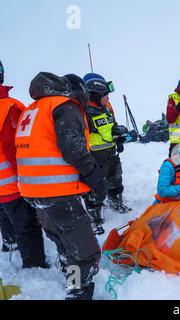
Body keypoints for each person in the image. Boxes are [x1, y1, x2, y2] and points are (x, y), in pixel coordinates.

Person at [16, 72, 106, 300]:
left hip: (35, 192)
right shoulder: (65, 106)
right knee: (85, 254)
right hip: (58, 193)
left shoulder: (34, 109)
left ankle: (69, 271)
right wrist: (95, 177)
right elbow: (73, 148)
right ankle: (77, 288)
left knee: (63, 240)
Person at [0, 61, 47, 268]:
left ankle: (10, 245)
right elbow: (15, 148)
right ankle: (34, 265)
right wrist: (28, 180)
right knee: (27, 225)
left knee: (6, 219)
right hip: (12, 183)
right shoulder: (10, 107)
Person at [82, 73, 130, 232]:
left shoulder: (107, 107)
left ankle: (115, 200)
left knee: (116, 178)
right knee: (95, 187)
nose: (108, 98)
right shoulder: (83, 111)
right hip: (94, 156)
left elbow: (113, 125)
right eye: (105, 95)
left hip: (111, 152)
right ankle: (94, 215)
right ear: (94, 94)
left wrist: (119, 137)